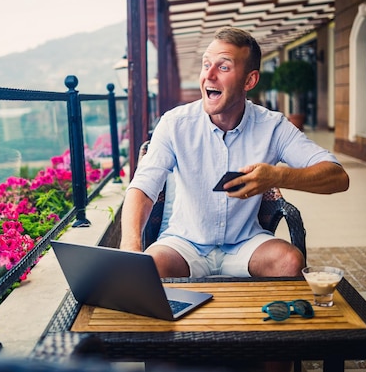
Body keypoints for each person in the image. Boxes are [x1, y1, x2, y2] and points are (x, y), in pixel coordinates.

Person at [120, 26, 349, 278]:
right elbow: (142, 187)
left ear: (249, 80)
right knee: (151, 267)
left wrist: (277, 177)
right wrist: (130, 251)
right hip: (184, 245)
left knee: (290, 261)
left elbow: (338, 177)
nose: (209, 75)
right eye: (206, 65)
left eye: (224, 67)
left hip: (246, 244)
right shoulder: (174, 123)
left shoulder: (272, 126)